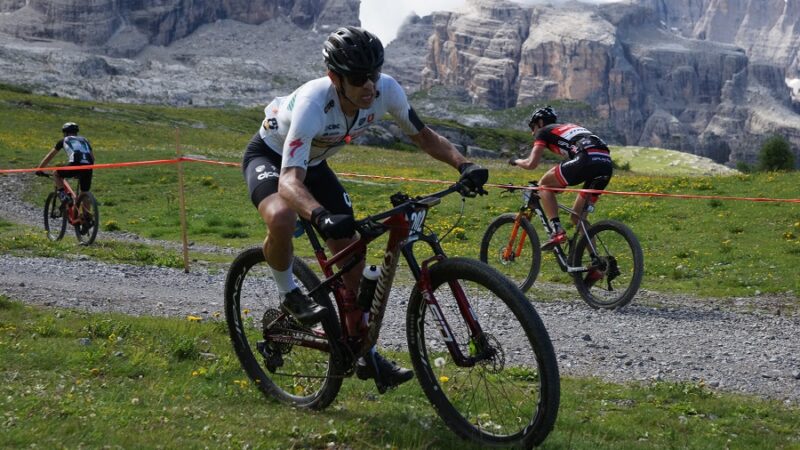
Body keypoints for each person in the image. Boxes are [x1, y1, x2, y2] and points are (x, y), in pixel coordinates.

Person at [241, 26, 488, 391]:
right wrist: (320, 215)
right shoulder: (312, 104)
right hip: (272, 157)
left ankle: (364, 354)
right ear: (334, 78)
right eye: (358, 79)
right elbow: (289, 182)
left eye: (373, 74)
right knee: (281, 216)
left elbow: (424, 137)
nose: (369, 86)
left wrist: (464, 165)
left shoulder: (387, 90)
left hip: (315, 164)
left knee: (353, 263)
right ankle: (289, 292)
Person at [510, 106, 612, 283]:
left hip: (586, 157)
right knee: (577, 217)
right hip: (605, 163)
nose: (532, 133)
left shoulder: (544, 131)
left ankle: (557, 231)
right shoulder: (567, 128)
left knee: (543, 185)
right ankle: (596, 262)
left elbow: (532, 164)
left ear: (540, 122)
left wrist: (516, 160)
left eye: (532, 127)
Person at [35, 122, 95, 204]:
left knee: (56, 173)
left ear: (65, 132)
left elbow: (49, 156)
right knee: (84, 191)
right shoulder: (84, 140)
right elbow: (92, 158)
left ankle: (63, 195)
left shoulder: (64, 140)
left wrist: (39, 169)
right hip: (88, 166)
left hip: (75, 164)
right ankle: (86, 212)